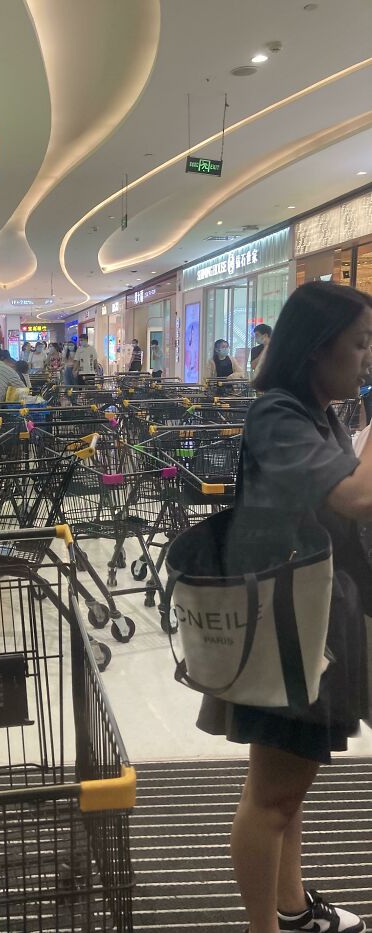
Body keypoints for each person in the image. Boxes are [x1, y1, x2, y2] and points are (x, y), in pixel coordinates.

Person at [198, 282, 372, 933]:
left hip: (307, 619)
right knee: (271, 797)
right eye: (358, 343)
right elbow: (356, 496)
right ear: (315, 348)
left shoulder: (316, 411)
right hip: (284, 626)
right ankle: (263, 927)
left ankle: (292, 908)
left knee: (287, 790)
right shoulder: (277, 414)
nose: (366, 356)